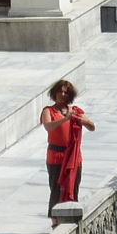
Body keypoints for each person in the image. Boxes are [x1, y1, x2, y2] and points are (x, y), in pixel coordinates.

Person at [41, 78, 95, 223]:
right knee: (56, 190)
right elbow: (48, 126)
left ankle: (71, 219)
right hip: (56, 157)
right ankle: (55, 222)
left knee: (72, 187)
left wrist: (84, 121)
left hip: (73, 157)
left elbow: (92, 126)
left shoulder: (76, 111)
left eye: (65, 92)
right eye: (60, 91)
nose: (62, 95)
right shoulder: (49, 111)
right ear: (55, 93)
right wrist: (65, 120)